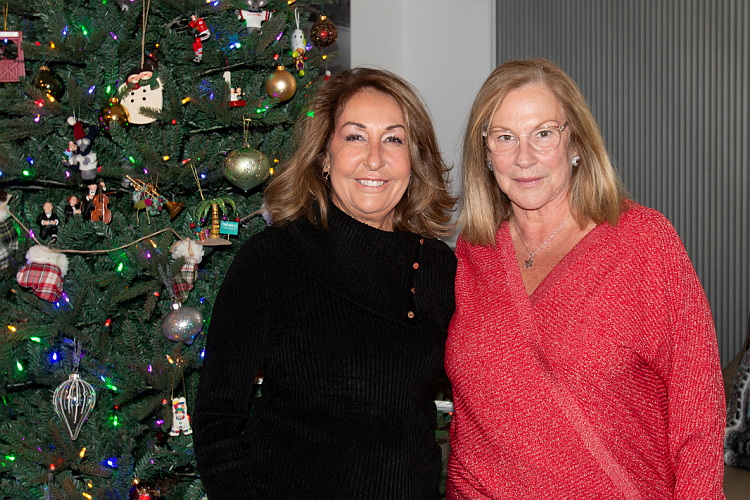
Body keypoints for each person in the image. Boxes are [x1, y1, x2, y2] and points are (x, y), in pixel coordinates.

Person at [445, 59, 725, 498]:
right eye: (504, 137)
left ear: (575, 140)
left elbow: (698, 406)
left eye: (543, 134)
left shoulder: (643, 241)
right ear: (485, 154)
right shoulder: (473, 253)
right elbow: (472, 419)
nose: (524, 157)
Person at [193, 67, 457, 499]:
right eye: (355, 137)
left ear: (415, 159)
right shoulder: (271, 258)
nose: (375, 159)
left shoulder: (439, 267)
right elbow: (216, 421)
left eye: (394, 140)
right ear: (324, 157)